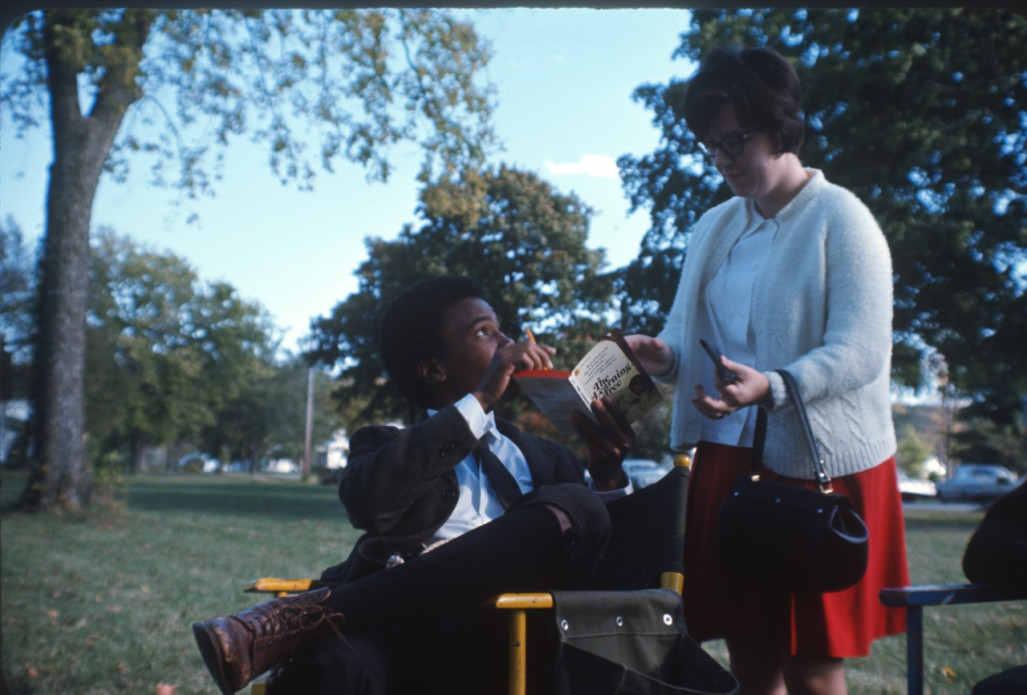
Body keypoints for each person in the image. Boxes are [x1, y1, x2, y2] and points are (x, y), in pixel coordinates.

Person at [192, 275, 636, 694]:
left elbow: (607, 566)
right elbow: (368, 506)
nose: (508, 345)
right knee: (335, 664)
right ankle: (320, 625)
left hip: (513, 631)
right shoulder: (386, 443)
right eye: (484, 333)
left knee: (580, 504)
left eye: (502, 331)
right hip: (398, 626)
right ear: (433, 370)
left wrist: (608, 475)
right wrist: (480, 401)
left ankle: (311, 615)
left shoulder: (549, 458)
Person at [624, 46, 910, 695]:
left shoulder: (842, 217)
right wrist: (663, 356)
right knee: (748, 658)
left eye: (734, 140)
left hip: (818, 465)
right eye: (708, 144)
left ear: (779, 127)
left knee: (811, 668)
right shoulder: (711, 225)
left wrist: (774, 387)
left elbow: (860, 351)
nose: (721, 158)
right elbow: (685, 332)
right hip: (725, 458)